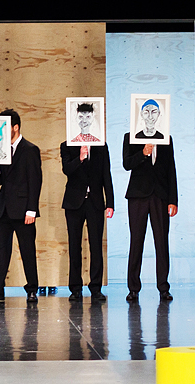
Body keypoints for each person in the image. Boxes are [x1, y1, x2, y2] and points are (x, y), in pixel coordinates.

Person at [0, 109, 42, 303]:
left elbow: (35, 181)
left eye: (6, 127)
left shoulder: (30, 149)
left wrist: (31, 209)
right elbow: (1, 182)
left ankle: (32, 288)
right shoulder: (2, 151)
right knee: (0, 250)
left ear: (15, 127)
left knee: (27, 250)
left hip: (23, 210)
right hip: (4, 208)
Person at [122, 126, 177, 303]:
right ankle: (133, 288)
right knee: (136, 241)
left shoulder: (166, 138)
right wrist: (143, 153)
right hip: (137, 196)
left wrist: (173, 200)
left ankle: (163, 287)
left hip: (160, 196)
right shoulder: (130, 137)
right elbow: (127, 164)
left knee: (161, 242)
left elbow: (171, 169)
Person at [60, 138, 114, 301]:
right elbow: (67, 169)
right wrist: (80, 158)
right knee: (74, 245)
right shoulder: (67, 145)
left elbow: (106, 174)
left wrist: (110, 203)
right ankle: (75, 288)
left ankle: (96, 287)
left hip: (95, 202)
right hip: (74, 202)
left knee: (96, 245)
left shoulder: (101, 146)